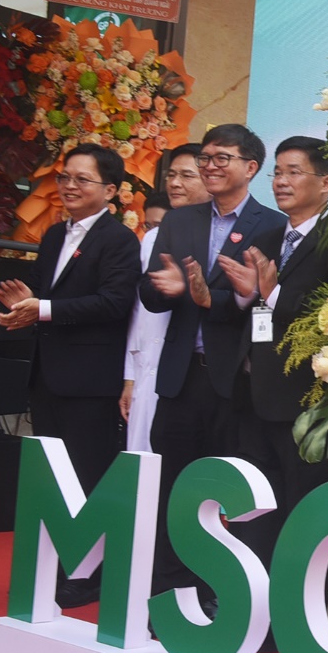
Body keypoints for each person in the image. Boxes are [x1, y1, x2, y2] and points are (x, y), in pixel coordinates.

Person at [138, 124, 286, 596]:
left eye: (222, 158)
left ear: (251, 167)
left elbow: (262, 306)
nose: (210, 166)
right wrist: (167, 288)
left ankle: (219, 594)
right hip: (180, 381)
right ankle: (168, 594)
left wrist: (215, 297)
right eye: (205, 158)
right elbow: (149, 293)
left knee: (232, 494)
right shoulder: (179, 222)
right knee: (174, 490)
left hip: (235, 383)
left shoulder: (273, 225)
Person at [0, 145, 140, 607]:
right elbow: (44, 294)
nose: (69, 186)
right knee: (52, 478)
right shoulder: (56, 233)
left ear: (111, 191)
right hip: (48, 375)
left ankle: (89, 573)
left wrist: (43, 308)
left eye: (82, 179)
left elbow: (114, 302)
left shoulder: (119, 240)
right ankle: (55, 567)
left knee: (87, 475)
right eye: (64, 178)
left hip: (90, 380)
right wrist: (23, 306)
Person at [215, 136, 328, 576]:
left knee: (306, 513)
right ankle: (253, 600)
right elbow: (256, 306)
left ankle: (302, 605)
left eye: (294, 172)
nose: (281, 182)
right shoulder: (269, 237)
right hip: (255, 396)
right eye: (277, 172)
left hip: (307, 405)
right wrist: (246, 294)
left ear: (325, 183)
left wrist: (272, 293)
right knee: (255, 509)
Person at [121, 148, 210, 453]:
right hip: (147, 366)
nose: (174, 183)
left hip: (190, 371)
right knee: (144, 457)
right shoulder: (152, 238)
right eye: (171, 175)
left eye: (187, 175)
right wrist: (129, 377)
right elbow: (137, 313)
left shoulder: (222, 236)